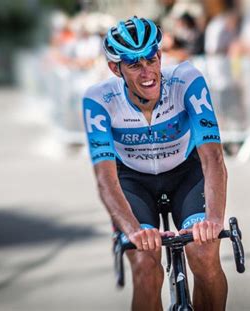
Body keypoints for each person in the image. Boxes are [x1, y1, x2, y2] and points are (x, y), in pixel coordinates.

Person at [82, 17, 228, 310]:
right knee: (146, 270)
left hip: (186, 175)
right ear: (115, 68)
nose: (147, 71)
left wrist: (213, 220)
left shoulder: (187, 81)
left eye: (151, 59)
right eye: (134, 64)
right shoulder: (99, 101)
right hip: (133, 182)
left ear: (160, 55)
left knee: (204, 254)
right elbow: (106, 180)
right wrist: (133, 230)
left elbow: (212, 157)